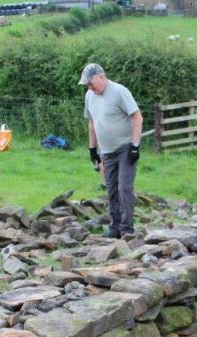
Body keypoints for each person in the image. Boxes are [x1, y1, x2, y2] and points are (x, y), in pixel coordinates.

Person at [80, 63, 143, 239]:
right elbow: (92, 122)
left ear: (101, 77)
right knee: (111, 189)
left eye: (90, 83)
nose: (89, 87)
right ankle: (114, 228)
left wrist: (135, 145)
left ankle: (127, 229)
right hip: (106, 151)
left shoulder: (119, 92)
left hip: (125, 148)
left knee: (124, 187)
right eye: (87, 85)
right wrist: (92, 149)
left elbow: (137, 117)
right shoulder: (89, 96)